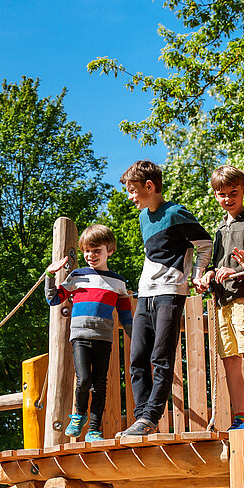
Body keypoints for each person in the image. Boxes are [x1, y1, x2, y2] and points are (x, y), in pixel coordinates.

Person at [119, 160, 213, 437]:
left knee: (160, 356)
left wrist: (197, 273)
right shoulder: (142, 218)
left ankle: (151, 416)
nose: (130, 196)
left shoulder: (175, 213)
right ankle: (141, 418)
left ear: (149, 186)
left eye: (133, 190)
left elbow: (205, 244)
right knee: (137, 358)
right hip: (145, 293)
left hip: (170, 292)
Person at [195, 165, 244, 430]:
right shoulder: (219, 229)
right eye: (221, 194)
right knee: (229, 360)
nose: (227, 199)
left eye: (233, 193)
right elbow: (217, 264)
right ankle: (240, 415)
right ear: (215, 195)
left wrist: (237, 270)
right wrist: (209, 275)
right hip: (222, 300)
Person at [44, 224, 133, 442]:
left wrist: (137, 339)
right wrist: (50, 274)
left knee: (99, 384)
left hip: (103, 338)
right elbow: (53, 298)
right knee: (83, 380)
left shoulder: (118, 282)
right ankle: (79, 415)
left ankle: (94, 430)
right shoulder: (77, 276)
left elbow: (125, 317)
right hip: (80, 337)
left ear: (109, 250)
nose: (90, 255)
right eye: (87, 251)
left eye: (96, 251)